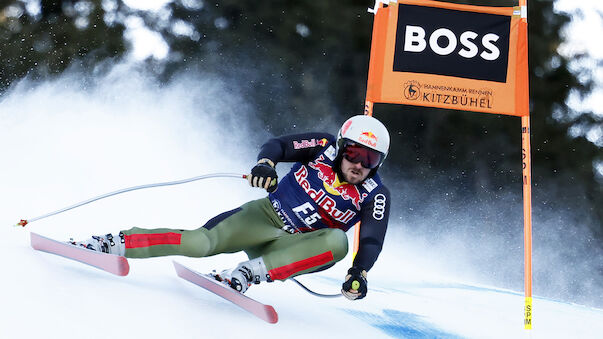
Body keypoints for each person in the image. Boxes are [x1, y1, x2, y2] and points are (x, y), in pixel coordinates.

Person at [74, 115, 391, 300]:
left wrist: (358, 273)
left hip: (294, 248)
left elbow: (372, 240)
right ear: (341, 146)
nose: (359, 164)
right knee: (200, 243)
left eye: (370, 159)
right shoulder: (323, 146)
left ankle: (247, 274)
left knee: (338, 242)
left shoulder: (375, 194)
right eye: (354, 152)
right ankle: (112, 243)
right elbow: (278, 145)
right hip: (263, 218)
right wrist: (265, 165)